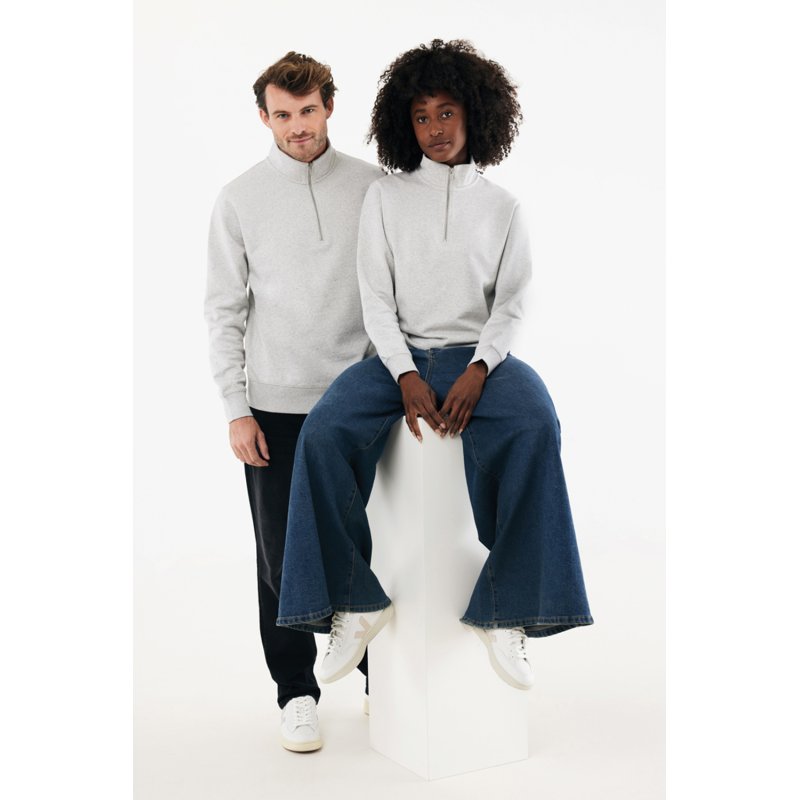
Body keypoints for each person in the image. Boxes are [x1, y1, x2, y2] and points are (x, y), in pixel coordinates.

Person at [276, 39, 593, 692]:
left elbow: (512, 303)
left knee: (537, 424)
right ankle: (354, 603)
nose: (435, 129)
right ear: (406, 124)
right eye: (421, 117)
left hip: (482, 360)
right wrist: (404, 373)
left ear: (475, 113)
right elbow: (375, 297)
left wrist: (481, 368)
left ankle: (504, 610)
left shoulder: (503, 208)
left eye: (446, 112)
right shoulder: (386, 198)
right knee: (324, 432)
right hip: (400, 359)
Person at [204, 51, 382, 752]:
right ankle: (297, 693)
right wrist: (235, 406)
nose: (298, 126)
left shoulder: (373, 187)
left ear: (329, 107)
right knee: (280, 557)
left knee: (370, 541)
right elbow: (224, 310)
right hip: (274, 405)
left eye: (308, 111)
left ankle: (381, 680)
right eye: (283, 114)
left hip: (361, 398)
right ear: (264, 117)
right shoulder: (239, 199)